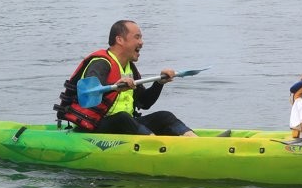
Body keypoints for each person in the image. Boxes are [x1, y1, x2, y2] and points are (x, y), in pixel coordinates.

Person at [54, 19, 196, 136]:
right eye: (137, 37)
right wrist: (116, 87)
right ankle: (155, 144)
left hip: (126, 125)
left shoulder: (129, 68)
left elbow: (144, 103)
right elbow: (88, 94)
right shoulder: (101, 63)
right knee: (122, 118)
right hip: (94, 126)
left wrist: (159, 83)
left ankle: (195, 142)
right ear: (120, 40)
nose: (141, 42)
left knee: (165, 116)